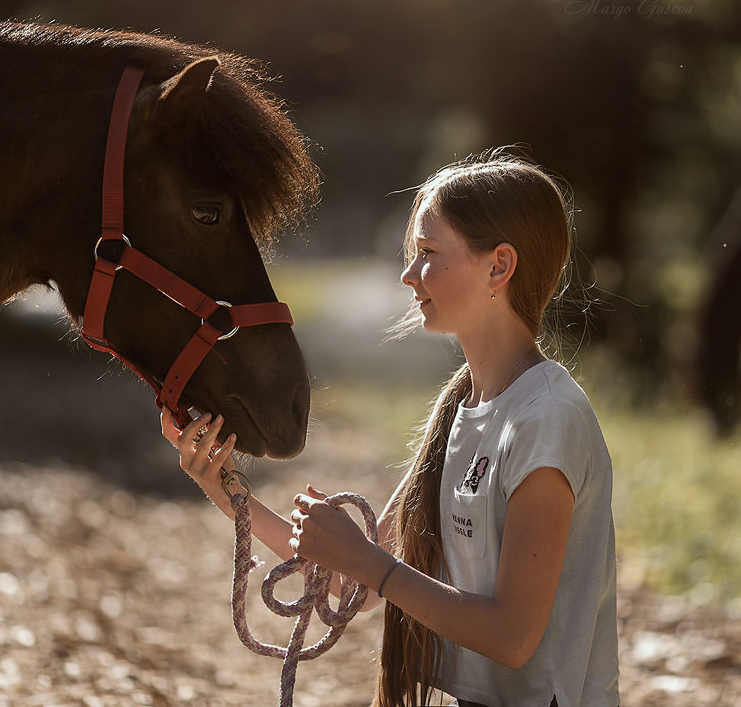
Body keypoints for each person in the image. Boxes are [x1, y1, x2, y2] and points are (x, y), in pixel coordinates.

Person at [161, 149, 620, 707]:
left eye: (428, 252)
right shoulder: (460, 407)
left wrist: (368, 563)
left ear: (499, 266)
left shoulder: (547, 418)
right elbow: (343, 580)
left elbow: (513, 637)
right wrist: (223, 485)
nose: (408, 275)